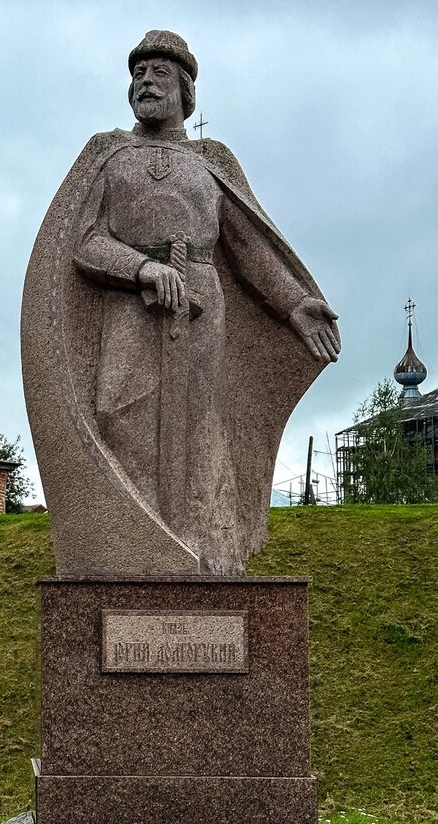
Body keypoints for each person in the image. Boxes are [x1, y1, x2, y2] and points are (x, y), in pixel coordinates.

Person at [65, 30, 340, 573]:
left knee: (197, 425)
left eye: (159, 73)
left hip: (199, 300)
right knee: (116, 413)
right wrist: (142, 269)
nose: (145, 81)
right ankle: (134, 551)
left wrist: (294, 304)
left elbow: (247, 246)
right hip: (133, 301)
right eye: (138, 73)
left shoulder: (211, 161)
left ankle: (204, 556)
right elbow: (84, 242)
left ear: (186, 90)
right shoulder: (110, 154)